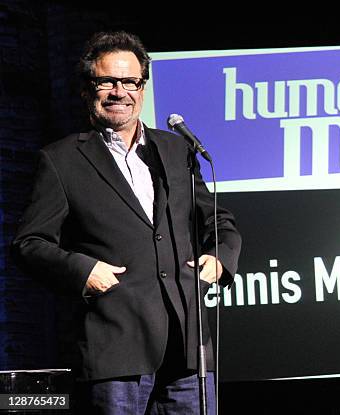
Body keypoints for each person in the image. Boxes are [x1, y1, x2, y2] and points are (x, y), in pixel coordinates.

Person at [11, 31, 241, 414]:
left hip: (186, 348)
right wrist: (84, 271)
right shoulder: (61, 160)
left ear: (143, 88)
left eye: (131, 82)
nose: (120, 92)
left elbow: (218, 219)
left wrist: (221, 257)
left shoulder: (176, 150)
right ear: (88, 90)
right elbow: (29, 243)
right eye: (108, 82)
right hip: (115, 351)